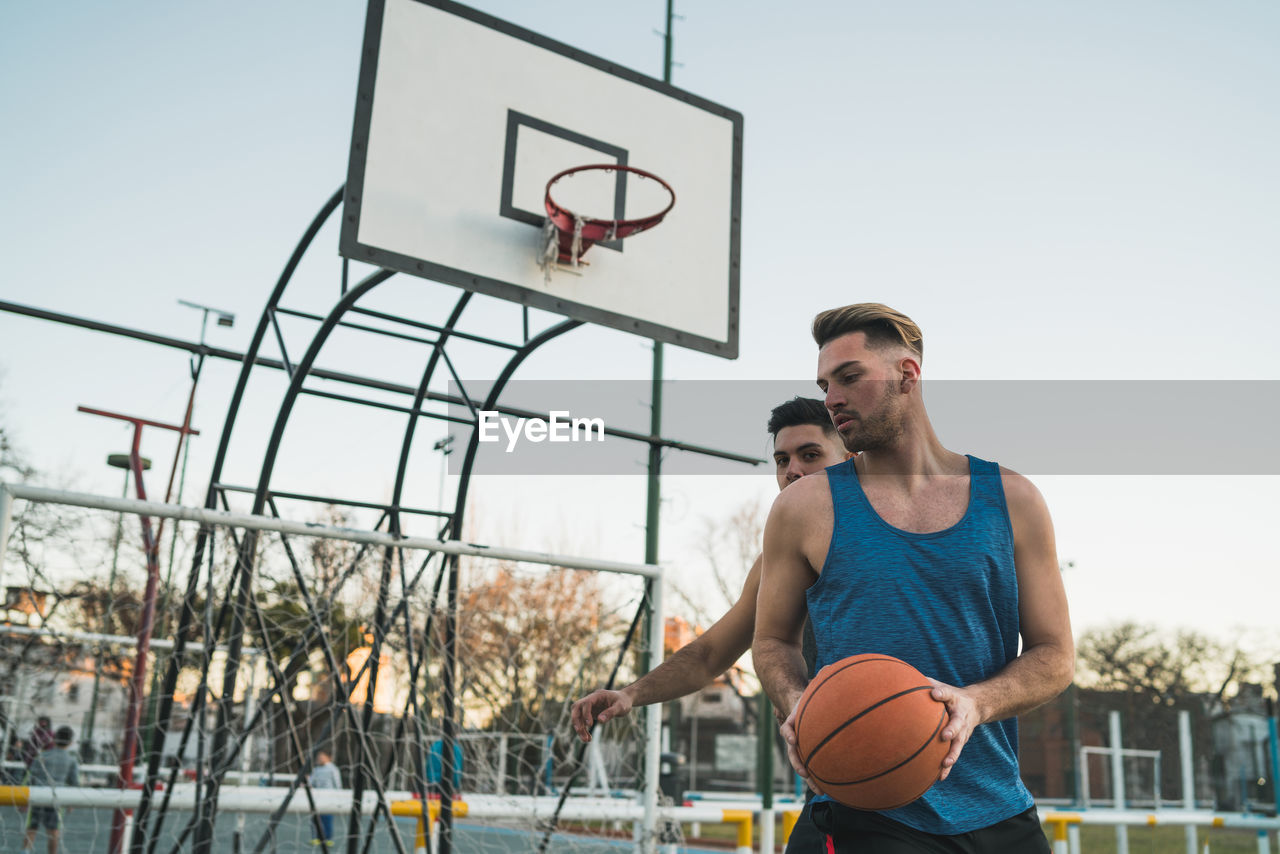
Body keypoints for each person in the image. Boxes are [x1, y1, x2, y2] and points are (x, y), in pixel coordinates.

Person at [753, 303, 1074, 853]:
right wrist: (797, 699)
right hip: (867, 806)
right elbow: (771, 641)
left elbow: (1055, 655)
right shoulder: (804, 508)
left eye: (850, 377)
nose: (832, 399)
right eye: (825, 383)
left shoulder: (1015, 499)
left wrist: (977, 703)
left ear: (907, 373)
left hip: (1000, 807)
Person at [570, 397, 849, 852]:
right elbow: (708, 655)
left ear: (850, 457)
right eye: (782, 460)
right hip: (835, 786)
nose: (792, 470)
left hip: (927, 771)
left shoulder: (898, 533)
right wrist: (630, 693)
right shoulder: (779, 561)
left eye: (810, 455)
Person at [23, 725, 79, 854]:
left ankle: (25, 852)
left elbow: (29, 776)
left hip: (38, 796)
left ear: (54, 738)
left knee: (31, 828)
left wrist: (23, 797)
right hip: (56, 798)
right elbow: (74, 782)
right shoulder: (71, 760)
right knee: (53, 831)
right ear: (70, 742)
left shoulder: (43, 755)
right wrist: (73, 802)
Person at [309, 749, 341, 847]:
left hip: (329, 798)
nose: (320, 759)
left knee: (327, 819)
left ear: (328, 758)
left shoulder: (333, 769)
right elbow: (311, 782)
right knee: (315, 819)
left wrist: (338, 796)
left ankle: (328, 838)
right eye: (318, 757)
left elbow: (337, 784)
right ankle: (316, 838)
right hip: (317, 798)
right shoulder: (316, 770)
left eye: (322, 757)